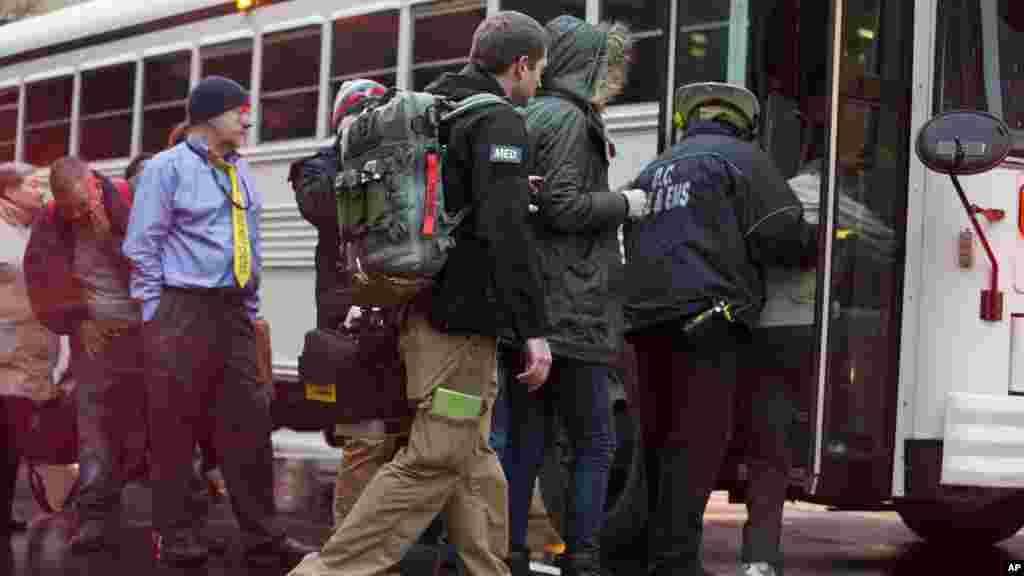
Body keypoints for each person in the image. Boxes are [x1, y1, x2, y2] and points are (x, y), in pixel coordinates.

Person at [287, 11, 552, 576]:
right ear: (522, 64)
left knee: (474, 460)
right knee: (434, 459)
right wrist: (533, 329)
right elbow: (506, 235)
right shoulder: (498, 121)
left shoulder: (439, 105)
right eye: (540, 70)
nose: (540, 83)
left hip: (419, 308)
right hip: (461, 323)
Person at [123, 75, 317, 569]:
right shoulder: (166, 170)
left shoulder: (240, 171)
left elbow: (247, 239)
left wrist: (249, 309)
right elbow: (143, 244)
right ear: (209, 116)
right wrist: (153, 312)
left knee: (250, 424)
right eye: (239, 111)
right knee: (174, 430)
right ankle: (179, 537)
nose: (247, 119)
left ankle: (264, 537)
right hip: (179, 310)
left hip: (232, 312)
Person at [617, 82, 809, 576]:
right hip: (707, 325)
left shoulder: (655, 167)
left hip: (643, 325)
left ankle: (642, 555)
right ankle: (676, 564)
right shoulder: (742, 159)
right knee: (694, 446)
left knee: (656, 444)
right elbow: (784, 233)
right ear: (742, 124)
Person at [499, 16, 638, 576]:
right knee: (595, 442)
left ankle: (507, 553)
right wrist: (627, 204)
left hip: (531, 305)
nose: (614, 77)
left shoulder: (529, 114)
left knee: (525, 443)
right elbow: (564, 205)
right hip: (573, 310)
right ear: (587, 67)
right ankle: (583, 558)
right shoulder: (572, 120)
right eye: (607, 66)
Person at [21, 157, 149, 554]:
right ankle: (94, 516)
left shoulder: (127, 201)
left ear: (94, 184)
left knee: (159, 423)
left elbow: (152, 261)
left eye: (82, 204)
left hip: (146, 335)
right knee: (95, 429)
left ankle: (178, 517)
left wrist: (109, 231)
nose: (77, 214)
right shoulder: (51, 222)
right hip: (94, 341)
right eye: (68, 208)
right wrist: (78, 321)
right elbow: (41, 280)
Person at [0, 162, 61, 551]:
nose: (41, 192)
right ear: (8, 191)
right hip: (4, 354)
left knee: (12, 438)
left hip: (28, 354)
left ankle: (3, 511)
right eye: (33, 185)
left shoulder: (31, 231)